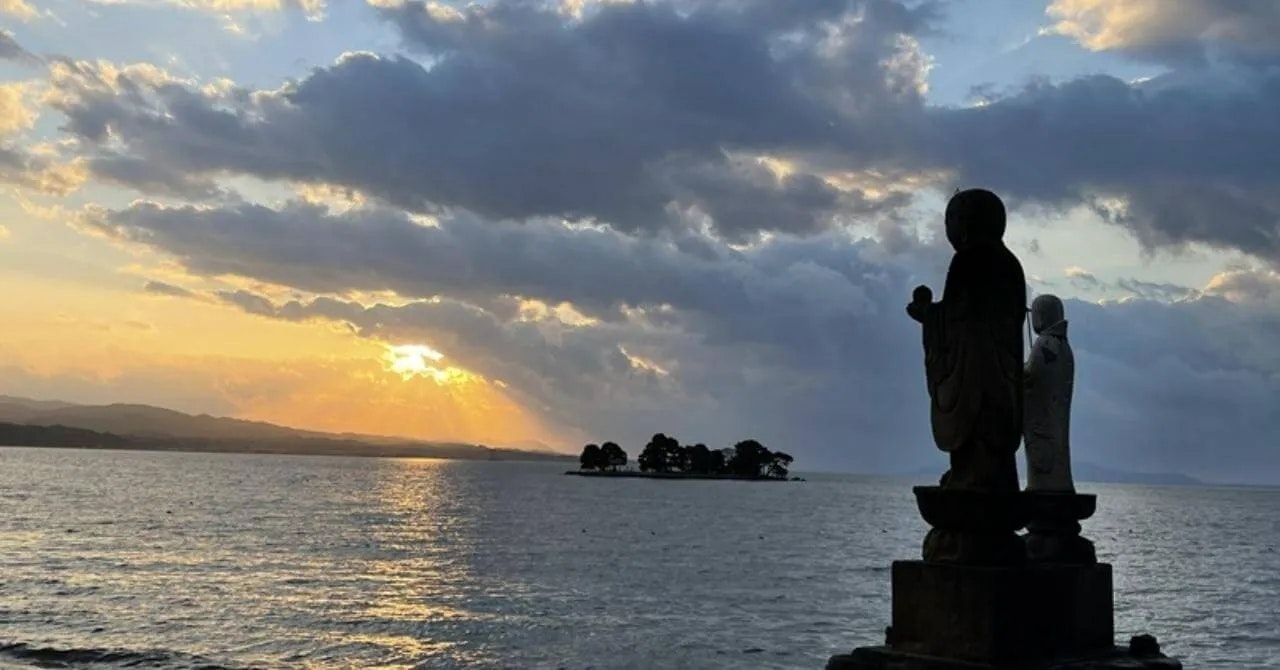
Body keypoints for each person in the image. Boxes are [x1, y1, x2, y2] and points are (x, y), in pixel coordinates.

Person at [907, 189, 1026, 492]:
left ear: (966, 222)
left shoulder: (969, 260)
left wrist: (928, 314)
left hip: (976, 372)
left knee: (976, 430)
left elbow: (960, 319)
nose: (948, 228)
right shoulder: (1010, 264)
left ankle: (970, 478)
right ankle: (980, 476)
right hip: (1001, 374)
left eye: (950, 219)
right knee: (991, 433)